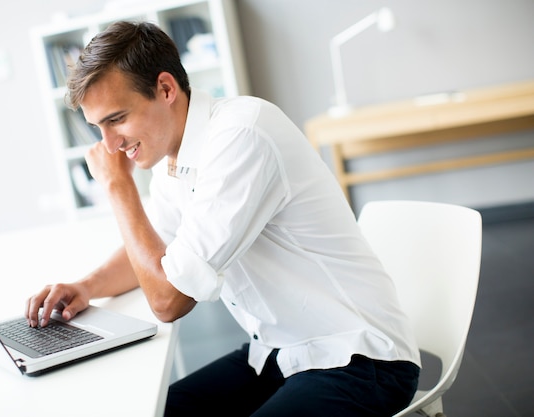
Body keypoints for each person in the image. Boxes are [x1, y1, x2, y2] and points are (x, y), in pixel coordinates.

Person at [25, 21, 421, 416]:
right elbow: (152, 252)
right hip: (279, 353)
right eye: (97, 128)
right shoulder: (171, 157)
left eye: (116, 119)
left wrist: (119, 189)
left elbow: (168, 299)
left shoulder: (242, 135)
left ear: (166, 89)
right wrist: (85, 286)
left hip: (358, 357)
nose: (108, 146)